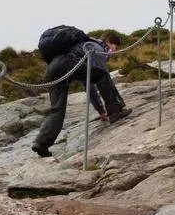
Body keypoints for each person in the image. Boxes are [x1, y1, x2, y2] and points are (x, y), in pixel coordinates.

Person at [32, 30, 132, 158]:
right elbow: (90, 83)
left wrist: (100, 109)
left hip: (52, 69)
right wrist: (102, 110)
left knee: (57, 109)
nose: (114, 52)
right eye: (115, 47)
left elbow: (88, 81)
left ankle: (41, 143)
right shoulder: (95, 47)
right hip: (67, 64)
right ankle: (115, 111)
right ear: (107, 42)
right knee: (102, 74)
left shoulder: (83, 44)